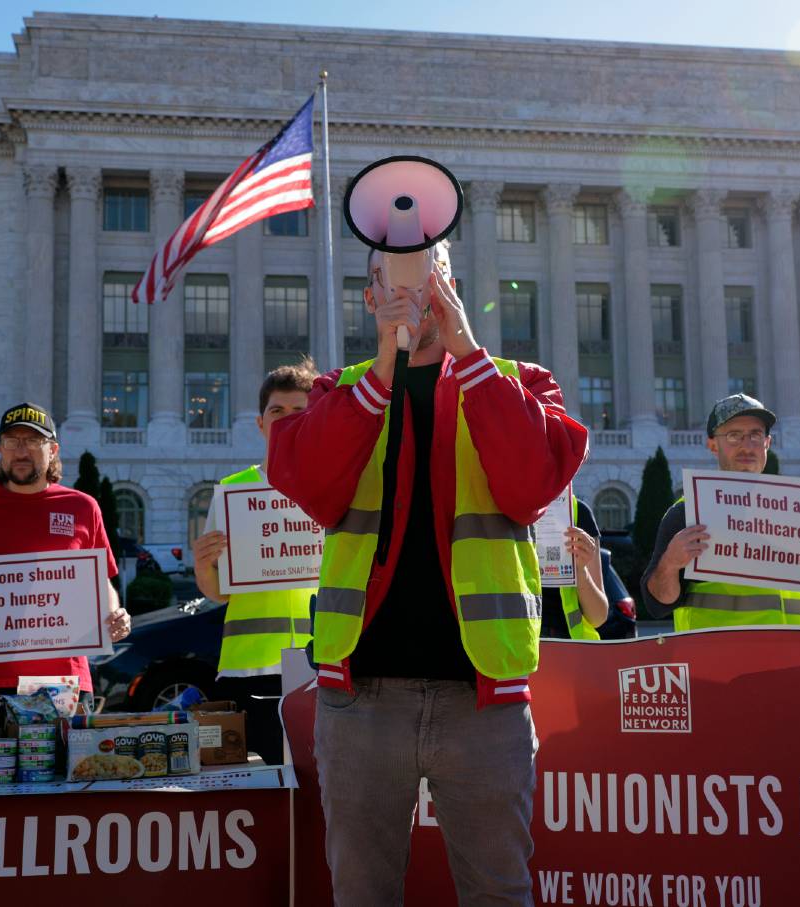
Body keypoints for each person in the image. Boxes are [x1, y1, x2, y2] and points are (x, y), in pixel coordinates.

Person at [268, 239, 588, 905]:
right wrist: (384, 366)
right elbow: (314, 483)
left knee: (498, 892)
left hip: (482, 700)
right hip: (361, 699)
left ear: (452, 283)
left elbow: (531, 484)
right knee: (363, 894)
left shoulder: (516, 380)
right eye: (396, 277)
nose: (416, 290)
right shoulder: (338, 388)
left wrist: (468, 353)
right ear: (369, 295)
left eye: (430, 272)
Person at [0, 403, 132, 702]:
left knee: (66, 752)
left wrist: (114, 615)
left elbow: (102, 582)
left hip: (65, 679)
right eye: (12, 442)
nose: (21, 451)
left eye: (34, 441)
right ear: (0, 449)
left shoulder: (83, 507)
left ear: (53, 450)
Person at [642, 394, 800, 630]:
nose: (747, 446)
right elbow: (657, 604)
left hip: (791, 662)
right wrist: (670, 564)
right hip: (719, 666)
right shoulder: (689, 512)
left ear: (767, 443)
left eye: (755, 435)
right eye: (733, 436)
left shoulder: (799, 512)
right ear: (712, 444)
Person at [192, 358, 319, 763]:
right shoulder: (232, 493)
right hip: (248, 671)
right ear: (261, 424)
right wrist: (201, 565)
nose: (285, 420)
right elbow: (218, 592)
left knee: (318, 791)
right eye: (276, 411)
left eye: (299, 412)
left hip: (321, 667)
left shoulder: (336, 488)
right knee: (263, 795)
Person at [539, 498, 608, 640]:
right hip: (512, 646)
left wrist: (580, 570)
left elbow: (598, 617)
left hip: (566, 645)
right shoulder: (500, 506)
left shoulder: (578, 512)